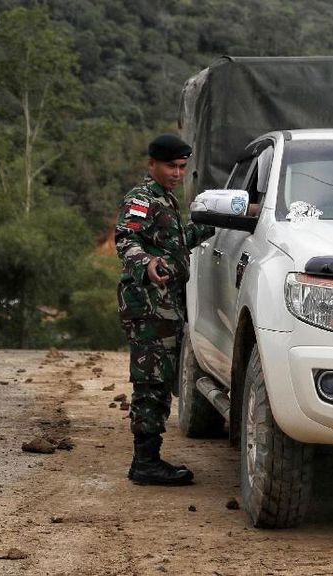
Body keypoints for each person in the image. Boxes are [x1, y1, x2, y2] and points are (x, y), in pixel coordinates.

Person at [115, 134, 214, 486]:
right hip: (149, 307)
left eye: (182, 167)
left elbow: (177, 242)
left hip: (166, 307)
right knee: (151, 384)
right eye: (171, 166)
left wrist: (216, 223)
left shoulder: (165, 199)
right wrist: (146, 263)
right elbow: (126, 238)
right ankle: (145, 463)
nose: (177, 173)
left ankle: (148, 459)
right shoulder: (141, 199)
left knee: (158, 381)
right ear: (152, 164)